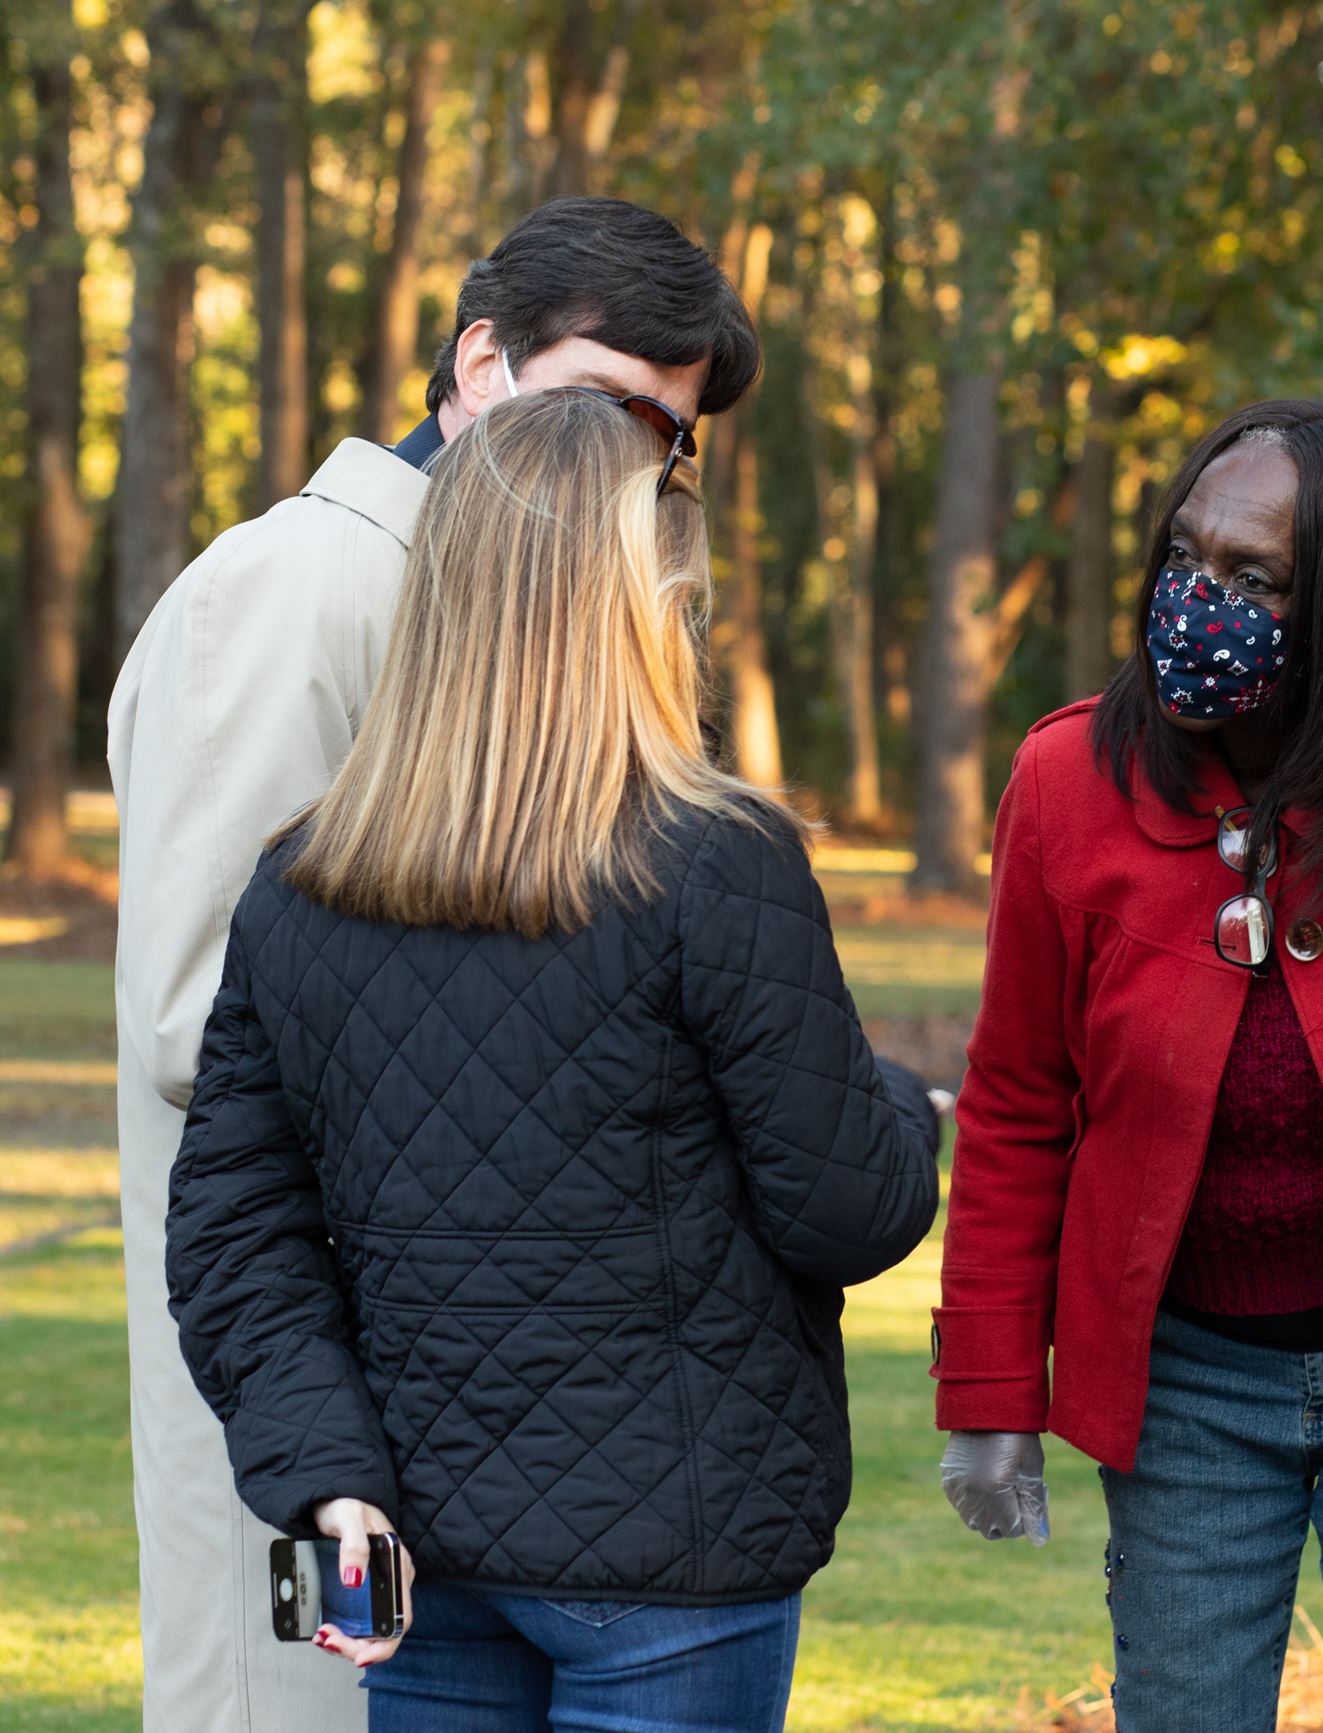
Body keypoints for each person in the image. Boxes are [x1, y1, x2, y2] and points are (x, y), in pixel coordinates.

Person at [163, 389, 941, 1731]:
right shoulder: (717, 863)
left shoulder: (302, 885)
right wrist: (901, 1110)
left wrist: (331, 1482)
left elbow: (235, 1236)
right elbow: (847, 1210)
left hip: (424, 1539)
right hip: (674, 1559)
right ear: (638, 610)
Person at [106, 194, 757, 1733]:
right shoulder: (295, 589)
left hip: (486, 1403)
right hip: (297, 1379)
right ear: (479, 364)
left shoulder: (520, 611)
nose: (631, 466)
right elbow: (201, 1018)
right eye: (608, 407)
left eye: (666, 442)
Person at [933, 400, 1323, 1732]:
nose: (1198, 601)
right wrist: (987, 1389)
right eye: (1185, 555)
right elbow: (1018, 1103)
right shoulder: (1065, 780)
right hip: (1187, 1377)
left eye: (1255, 579)